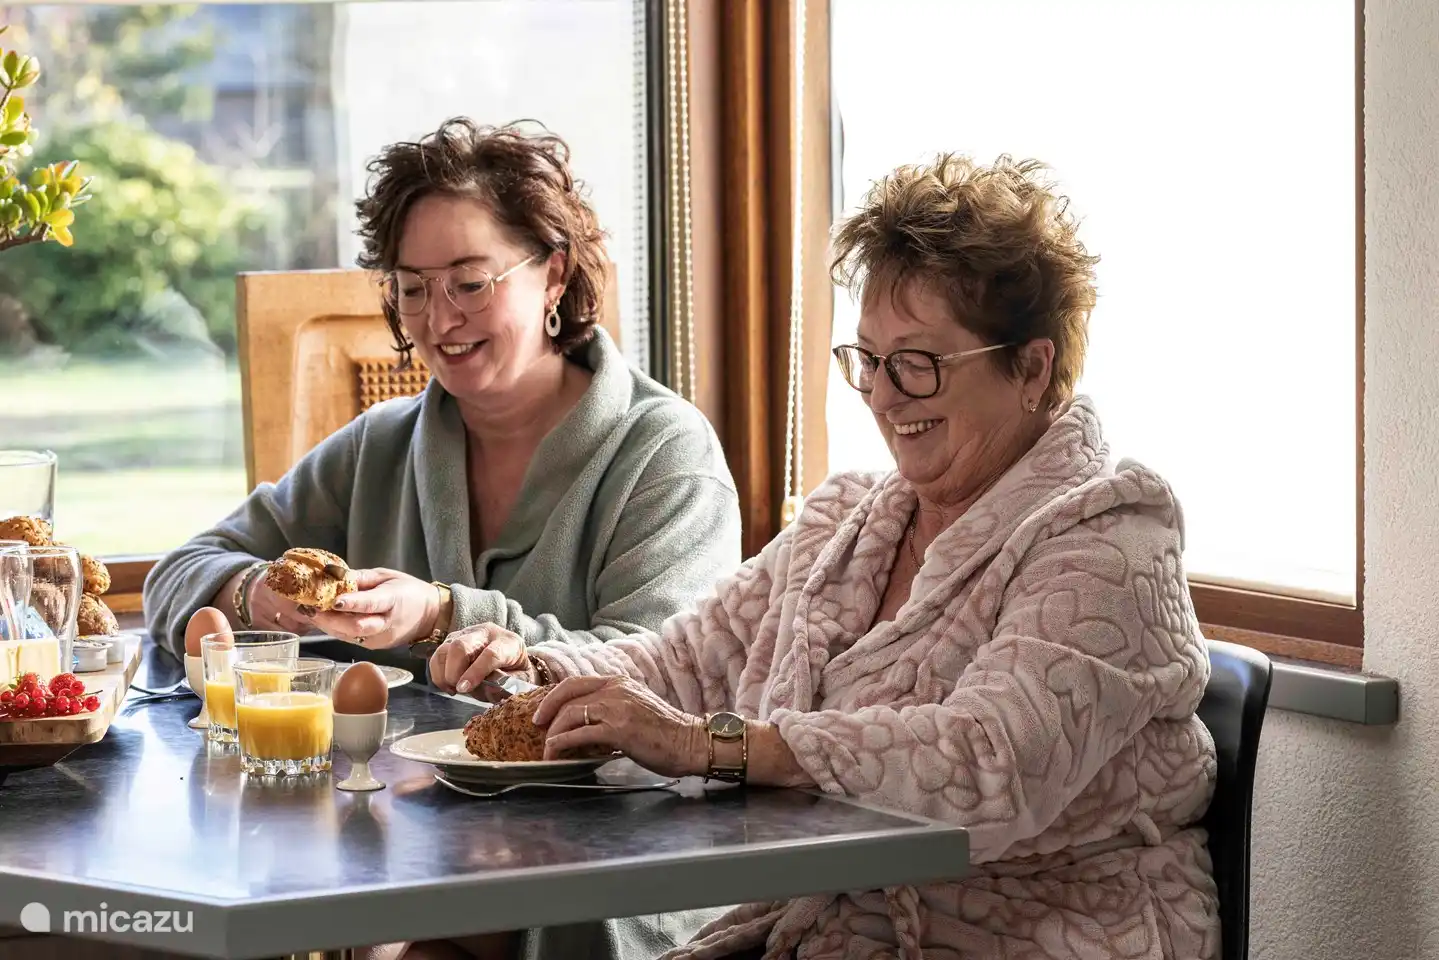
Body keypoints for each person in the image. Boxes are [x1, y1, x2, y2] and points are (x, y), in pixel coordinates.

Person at [428, 154, 1219, 959]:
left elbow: (990, 764)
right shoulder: (849, 518)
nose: (880, 395)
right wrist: (539, 680)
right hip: (825, 932)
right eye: (868, 360)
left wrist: (711, 745)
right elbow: (684, 661)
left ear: (1031, 366)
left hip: (1036, 936)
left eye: (917, 363)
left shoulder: (1111, 535)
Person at [143, 118, 741, 670]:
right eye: (413, 289)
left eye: (471, 283)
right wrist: (262, 596)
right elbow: (179, 572)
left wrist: (442, 614)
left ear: (553, 275)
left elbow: (666, 671)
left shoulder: (666, 456)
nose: (439, 320)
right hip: (383, 787)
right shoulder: (380, 445)